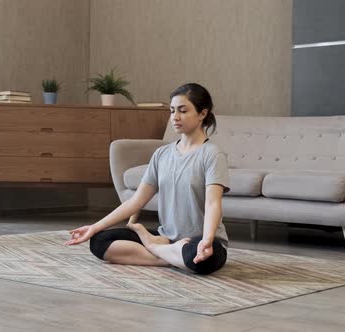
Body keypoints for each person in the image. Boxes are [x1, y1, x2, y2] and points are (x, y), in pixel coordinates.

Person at [65, 83, 230, 275]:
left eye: (183, 111)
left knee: (202, 261)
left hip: (201, 240)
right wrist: (93, 228)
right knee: (99, 241)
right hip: (166, 237)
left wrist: (207, 240)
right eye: (172, 111)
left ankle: (155, 249)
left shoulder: (212, 154)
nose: (175, 117)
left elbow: (213, 204)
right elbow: (136, 201)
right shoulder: (162, 154)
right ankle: (169, 255)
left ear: (202, 114)